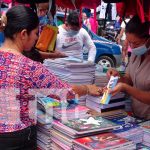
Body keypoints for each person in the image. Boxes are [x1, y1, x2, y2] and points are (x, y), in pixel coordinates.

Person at [0, 5, 102, 149]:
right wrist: (87, 88)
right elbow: (65, 91)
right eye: (36, 33)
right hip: (17, 138)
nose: (37, 38)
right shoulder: (30, 67)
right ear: (23, 34)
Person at [107, 15, 150, 120]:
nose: (132, 47)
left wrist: (125, 88)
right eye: (129, 42)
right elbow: (129, 79)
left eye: (136, 43)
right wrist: (117, 76)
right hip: (138, 117)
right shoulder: (136, 54)